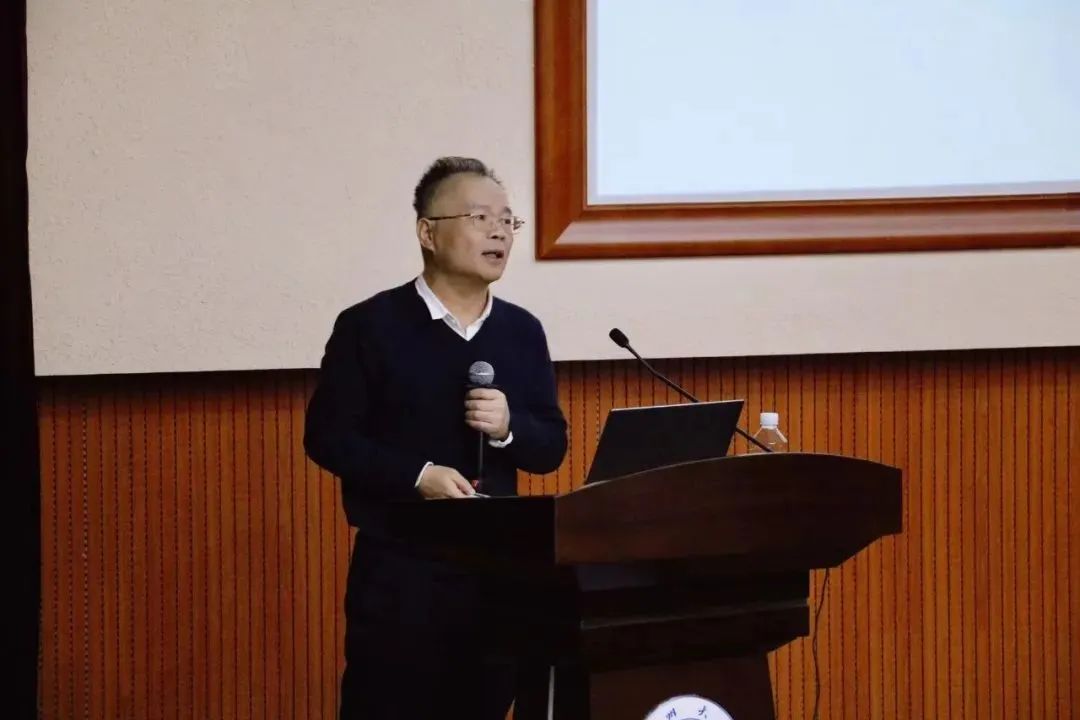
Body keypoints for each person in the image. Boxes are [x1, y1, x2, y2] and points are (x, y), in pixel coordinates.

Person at [304, 156, 568, 719]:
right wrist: (417, 476)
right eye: (479, 217)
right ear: (428, 233)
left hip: (498, 576)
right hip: (401, 577)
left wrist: (510, 428)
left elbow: (551, 448)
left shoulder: (522, 331)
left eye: (507, 220)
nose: (499, 232)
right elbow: (328, 436)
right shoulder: (369, 326)